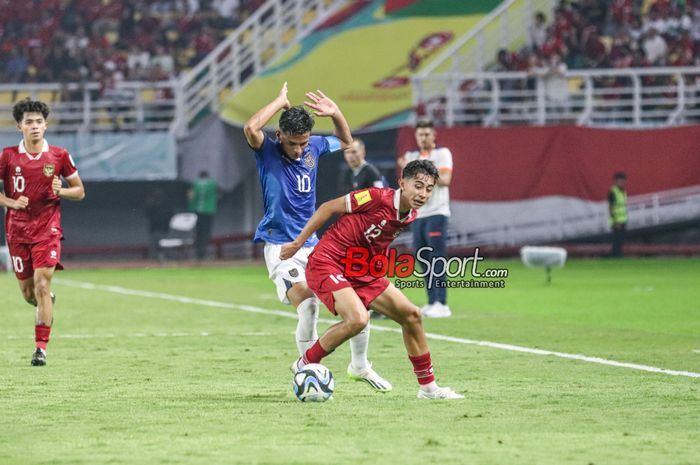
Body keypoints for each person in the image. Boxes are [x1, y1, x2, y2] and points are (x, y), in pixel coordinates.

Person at [243, 82, 391, 391]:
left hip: (314, 245)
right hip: (282, 246)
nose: (299, 150)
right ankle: (308, 372)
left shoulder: (314, 147)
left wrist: (336, 112)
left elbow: (347, 141)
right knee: (309, 304)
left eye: (303, 143)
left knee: (357, 298)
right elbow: (250, 126)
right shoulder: (267, 151)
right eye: (293, 143)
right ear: (279, 136)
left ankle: (360, 366)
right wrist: (279, 101)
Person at [282, 160, 463, 399]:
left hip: (363, 271)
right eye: (418, 186)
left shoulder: (410, 214)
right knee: (358, 319)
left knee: (412, 315)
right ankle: (304, 364)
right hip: (328, 261)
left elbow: (375, 239)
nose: (423, 193)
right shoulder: (376, 197)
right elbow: (327, 207)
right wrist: (297, 244)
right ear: (402, 183)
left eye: (429, 189)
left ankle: (428, 389)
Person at [0, 98, 86, 366]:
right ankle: (45, 302)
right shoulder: (7, 156)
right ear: (19, 126)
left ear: (46, 125)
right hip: (16, 231)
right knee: (29, 294)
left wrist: (63, 191)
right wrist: (12, 202)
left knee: (42, 284)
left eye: (39, 122)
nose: (35, 126)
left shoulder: (59, 156)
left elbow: (80, 191)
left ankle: (40, 348)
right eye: (29, 122)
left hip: (47, 229)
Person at [398, 119, 453, 318]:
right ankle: (431, 301)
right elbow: (407, 184)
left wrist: (417, 172)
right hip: (418, 213)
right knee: (423, 259)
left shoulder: (442, 154)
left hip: (437, 212)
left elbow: (445, 181)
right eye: (420, 134)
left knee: (437, 256)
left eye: (427, 134)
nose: (423, 138)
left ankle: (442, 302)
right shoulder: (411, 156)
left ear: (434, 135)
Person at [188, 170, 218, 260]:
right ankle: (203, 253)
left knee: (198, 233)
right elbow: (217, 195)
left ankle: (198, 253)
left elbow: (191, 196)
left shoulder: (195, 183)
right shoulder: (212, 184)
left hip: (197, 211)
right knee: (206, 232)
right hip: (209, 211)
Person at [145, 187, 173, 261]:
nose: (158, 198)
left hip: (164, 230)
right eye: (156, 196)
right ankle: (152, 263)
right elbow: (147, 214)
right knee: (153, 251)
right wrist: (149, 204)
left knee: (167, 250)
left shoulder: (167, 206)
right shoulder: (152, 206)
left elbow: (171, 216)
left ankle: (169, 261)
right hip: (155, 231)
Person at [608, 172, 627, 257]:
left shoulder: (622, 191)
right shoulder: (613, 192)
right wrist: (615, 221)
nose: (621, 182)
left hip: (623, 219)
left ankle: (619, 254)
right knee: (616, 240)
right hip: (616, 220)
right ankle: (615, 255)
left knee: (621, 239)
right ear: (615, 181)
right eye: (619, 181)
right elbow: (611, 208)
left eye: (622, 181)